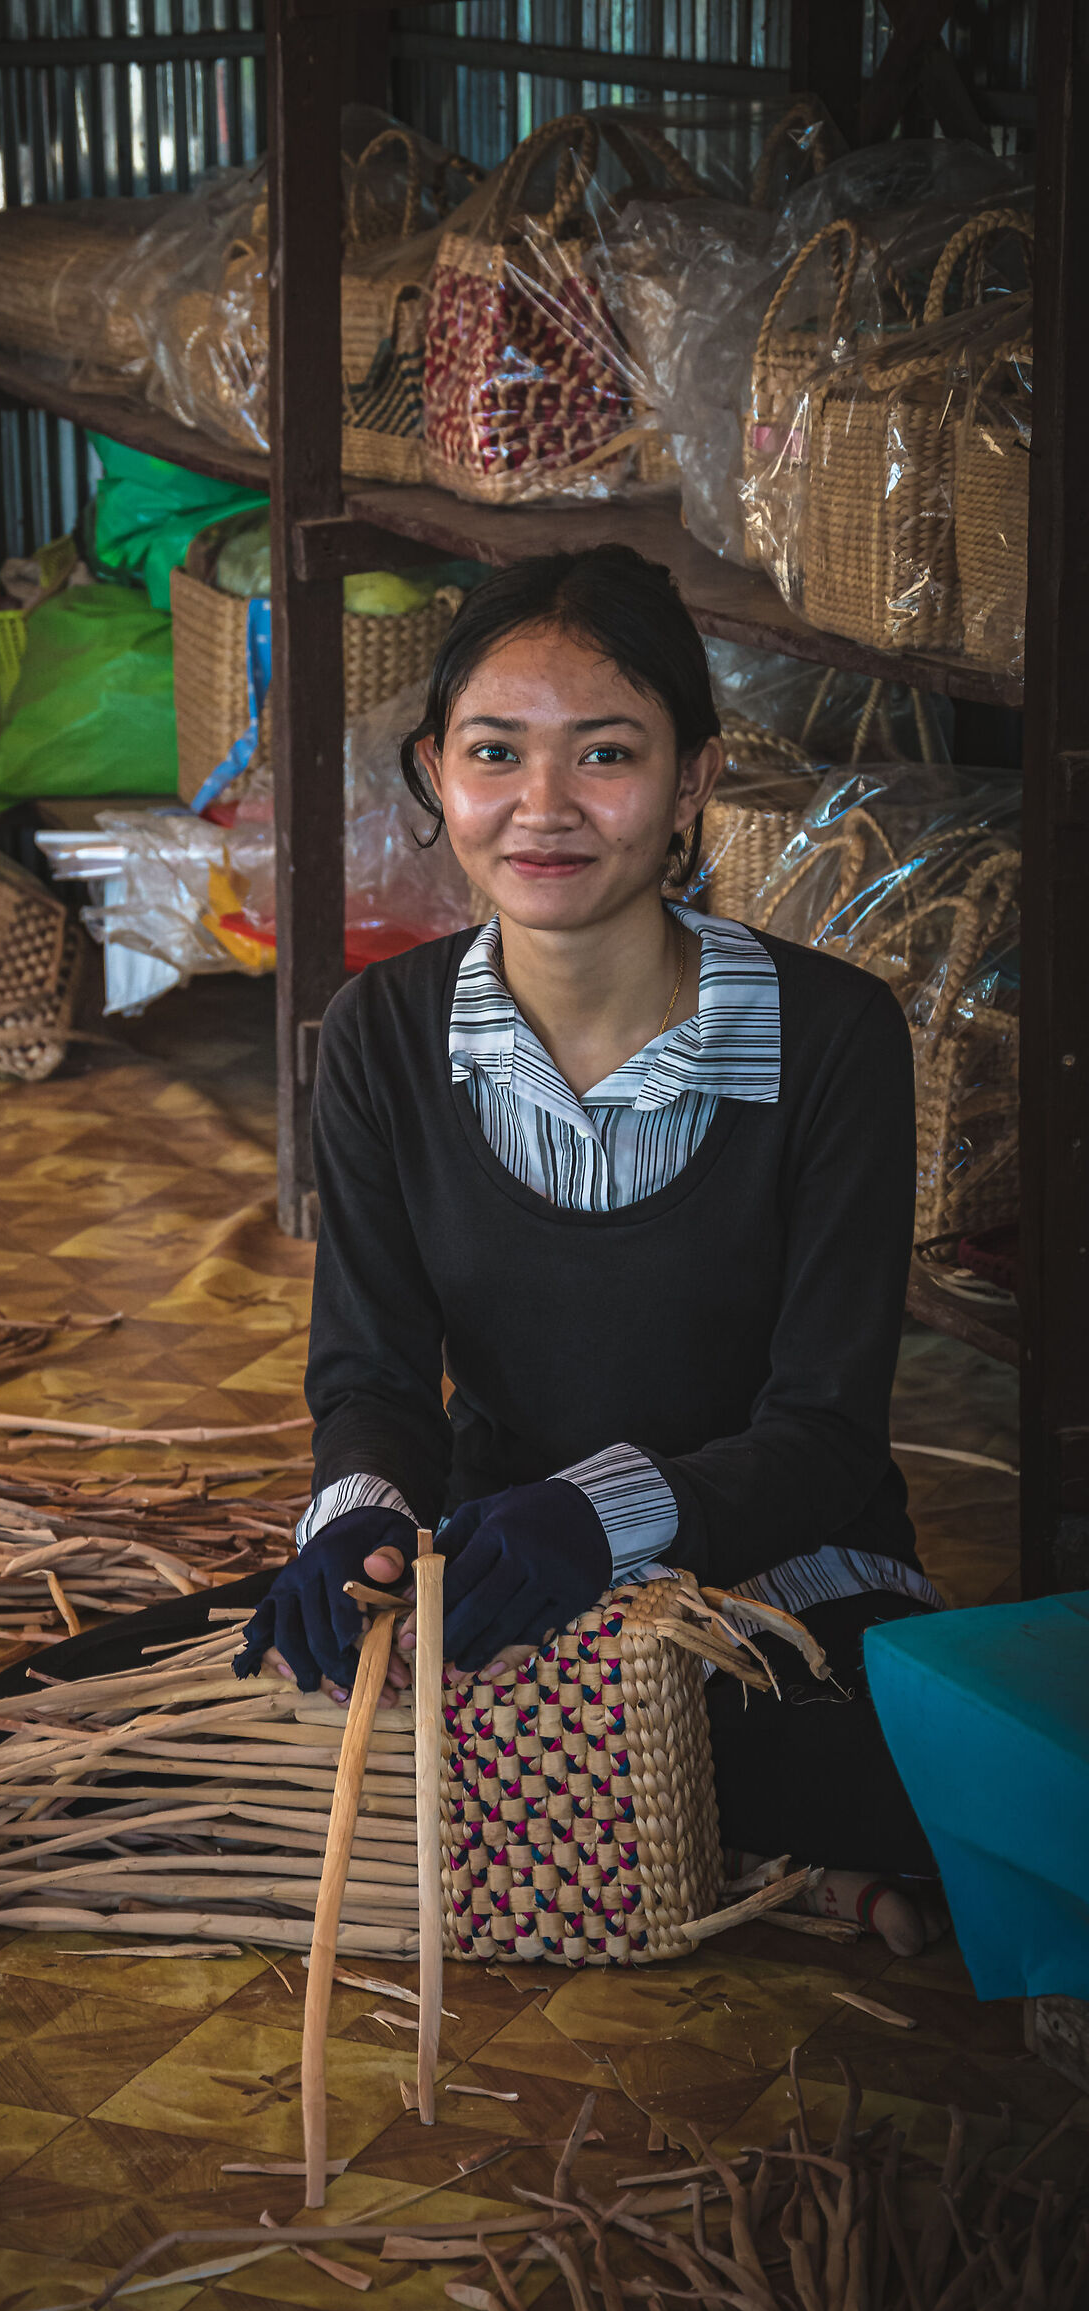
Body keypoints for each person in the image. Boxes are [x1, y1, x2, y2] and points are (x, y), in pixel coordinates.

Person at [230, 545, 945, 1955]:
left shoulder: (834, 1039)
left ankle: (715, 1836)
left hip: (781, 1596)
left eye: (605, 755)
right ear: (438, 772)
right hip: (505, 1585)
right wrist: (363, 1513)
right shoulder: (382, 1035)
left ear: (690, 784)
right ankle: (741, 1860)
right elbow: (372, 1369)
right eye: (496, 753)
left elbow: (826, 1433)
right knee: (177, 1693)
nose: (542, 809)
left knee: (902, 1767)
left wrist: (604, 1518)